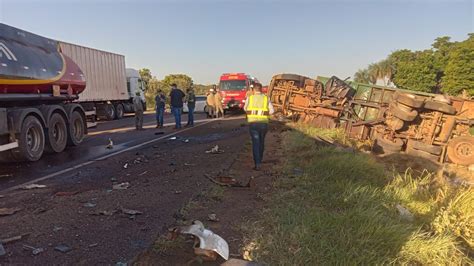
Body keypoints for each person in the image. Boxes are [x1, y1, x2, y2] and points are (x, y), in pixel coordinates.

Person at [243, 83, 274, 170]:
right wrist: (262, 113)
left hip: (253, 123)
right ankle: (260, 159)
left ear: (254, 90)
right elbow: (272, 111)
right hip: (263, 124)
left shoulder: (250, 98)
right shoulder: (266, 98)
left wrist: (253, 112)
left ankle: (257, 163)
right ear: (261, 89)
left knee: (255, 143)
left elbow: (245, 108)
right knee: (261, 142)